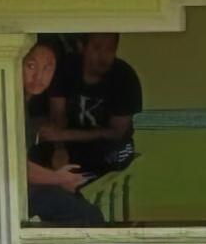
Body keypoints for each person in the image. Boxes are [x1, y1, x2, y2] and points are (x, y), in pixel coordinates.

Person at [22, 41, 112, 244]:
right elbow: (11, 168)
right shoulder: (7, 101)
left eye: (48, 67)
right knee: (83, 218)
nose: (39, 76)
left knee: (93, 218)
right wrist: (58, 178)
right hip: (11, 193)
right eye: (31, 65)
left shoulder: (25, 103)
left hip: (31, 186)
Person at [40, 33, 142, 180]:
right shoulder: (66, 68)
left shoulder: (125, 78)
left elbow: (117, 133)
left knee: (119, 153)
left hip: (107, 147)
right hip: (69, 145)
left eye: (110, 49)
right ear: (83, 47)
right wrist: (59, 147)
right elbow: (57, 114)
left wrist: (67, 134)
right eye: (97, 48)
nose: (103, 56)